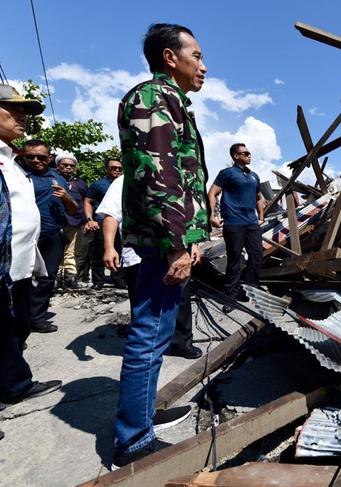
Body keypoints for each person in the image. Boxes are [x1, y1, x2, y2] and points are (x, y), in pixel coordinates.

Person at [113, 23, 210, 469]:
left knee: (157, 333)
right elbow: (158, 177)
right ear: (170, 57)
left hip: (170, 238)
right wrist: (175, 245)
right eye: (197, 55)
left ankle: (143, 417)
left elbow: (183, 179)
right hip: (160, 242)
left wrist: (193, 239)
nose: (203, 66)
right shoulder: (153, 98)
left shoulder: (172, 102)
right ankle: (132, 444)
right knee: (149, 336)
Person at [0, 84, 61, 410]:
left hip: (19, 264)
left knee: (15, 328)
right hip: (3, 267)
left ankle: (14, 384)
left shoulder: (9, 158)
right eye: (13, 109)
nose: (22, 117)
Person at [97, 174, 202, 359]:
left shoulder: (177, 176)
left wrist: (194, 245)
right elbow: (111, 214)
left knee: (181, 300)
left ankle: (181, 343)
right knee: (145, 306)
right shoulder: (126, 179)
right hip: (140, 256)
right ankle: (146, 353)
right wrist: (109, 247)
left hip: (178, 254)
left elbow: (188, 217)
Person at [20, 140, 78, 333]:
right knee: (20, 280)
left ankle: (36, 318)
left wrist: (66, 198)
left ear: (50, 158)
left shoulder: (59, 179)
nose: (36, 160)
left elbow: (74, 209)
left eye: (41, 157)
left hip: (52, 234)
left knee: (47, 278)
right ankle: (17, 326)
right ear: (22, 156)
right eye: (30, 156)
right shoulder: (18, 177)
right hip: (24, 236)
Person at [208, 143, 264, 314]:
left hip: (252, 223)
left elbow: (259, 197)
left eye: (249, 152)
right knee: (234, 261)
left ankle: (251, 291)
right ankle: (230, 297)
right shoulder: (227, 173)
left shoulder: (254, 176)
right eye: (245, 153)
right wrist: (212, 215)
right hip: (233, 223)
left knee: (256, 256)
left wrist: (261, 217)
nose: (249, 155)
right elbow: (212, 193)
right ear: (235, 156)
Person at [83, 158, 123, 289]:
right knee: (99, 251)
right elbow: (88, 201)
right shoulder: (98, 185)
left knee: (119, 249)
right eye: (113, 168)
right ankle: (98, 281)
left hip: (120, 221)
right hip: (101, 221)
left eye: (119, 168)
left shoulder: (124, 183)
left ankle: (118, 279)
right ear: (107, 169)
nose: (117, 170)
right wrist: (90, 219)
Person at [56, 153, 88, 289]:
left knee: (70, 252)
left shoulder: (80, 184)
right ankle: (56, 280)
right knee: (56, 252)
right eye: (65, 165)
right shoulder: (52, 180)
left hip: (74, 222)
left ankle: (70, 279)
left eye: (71, 166)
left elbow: (86, 203)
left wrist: (87, 220)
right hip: (55, 223)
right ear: (58, 166)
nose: (68, 168)